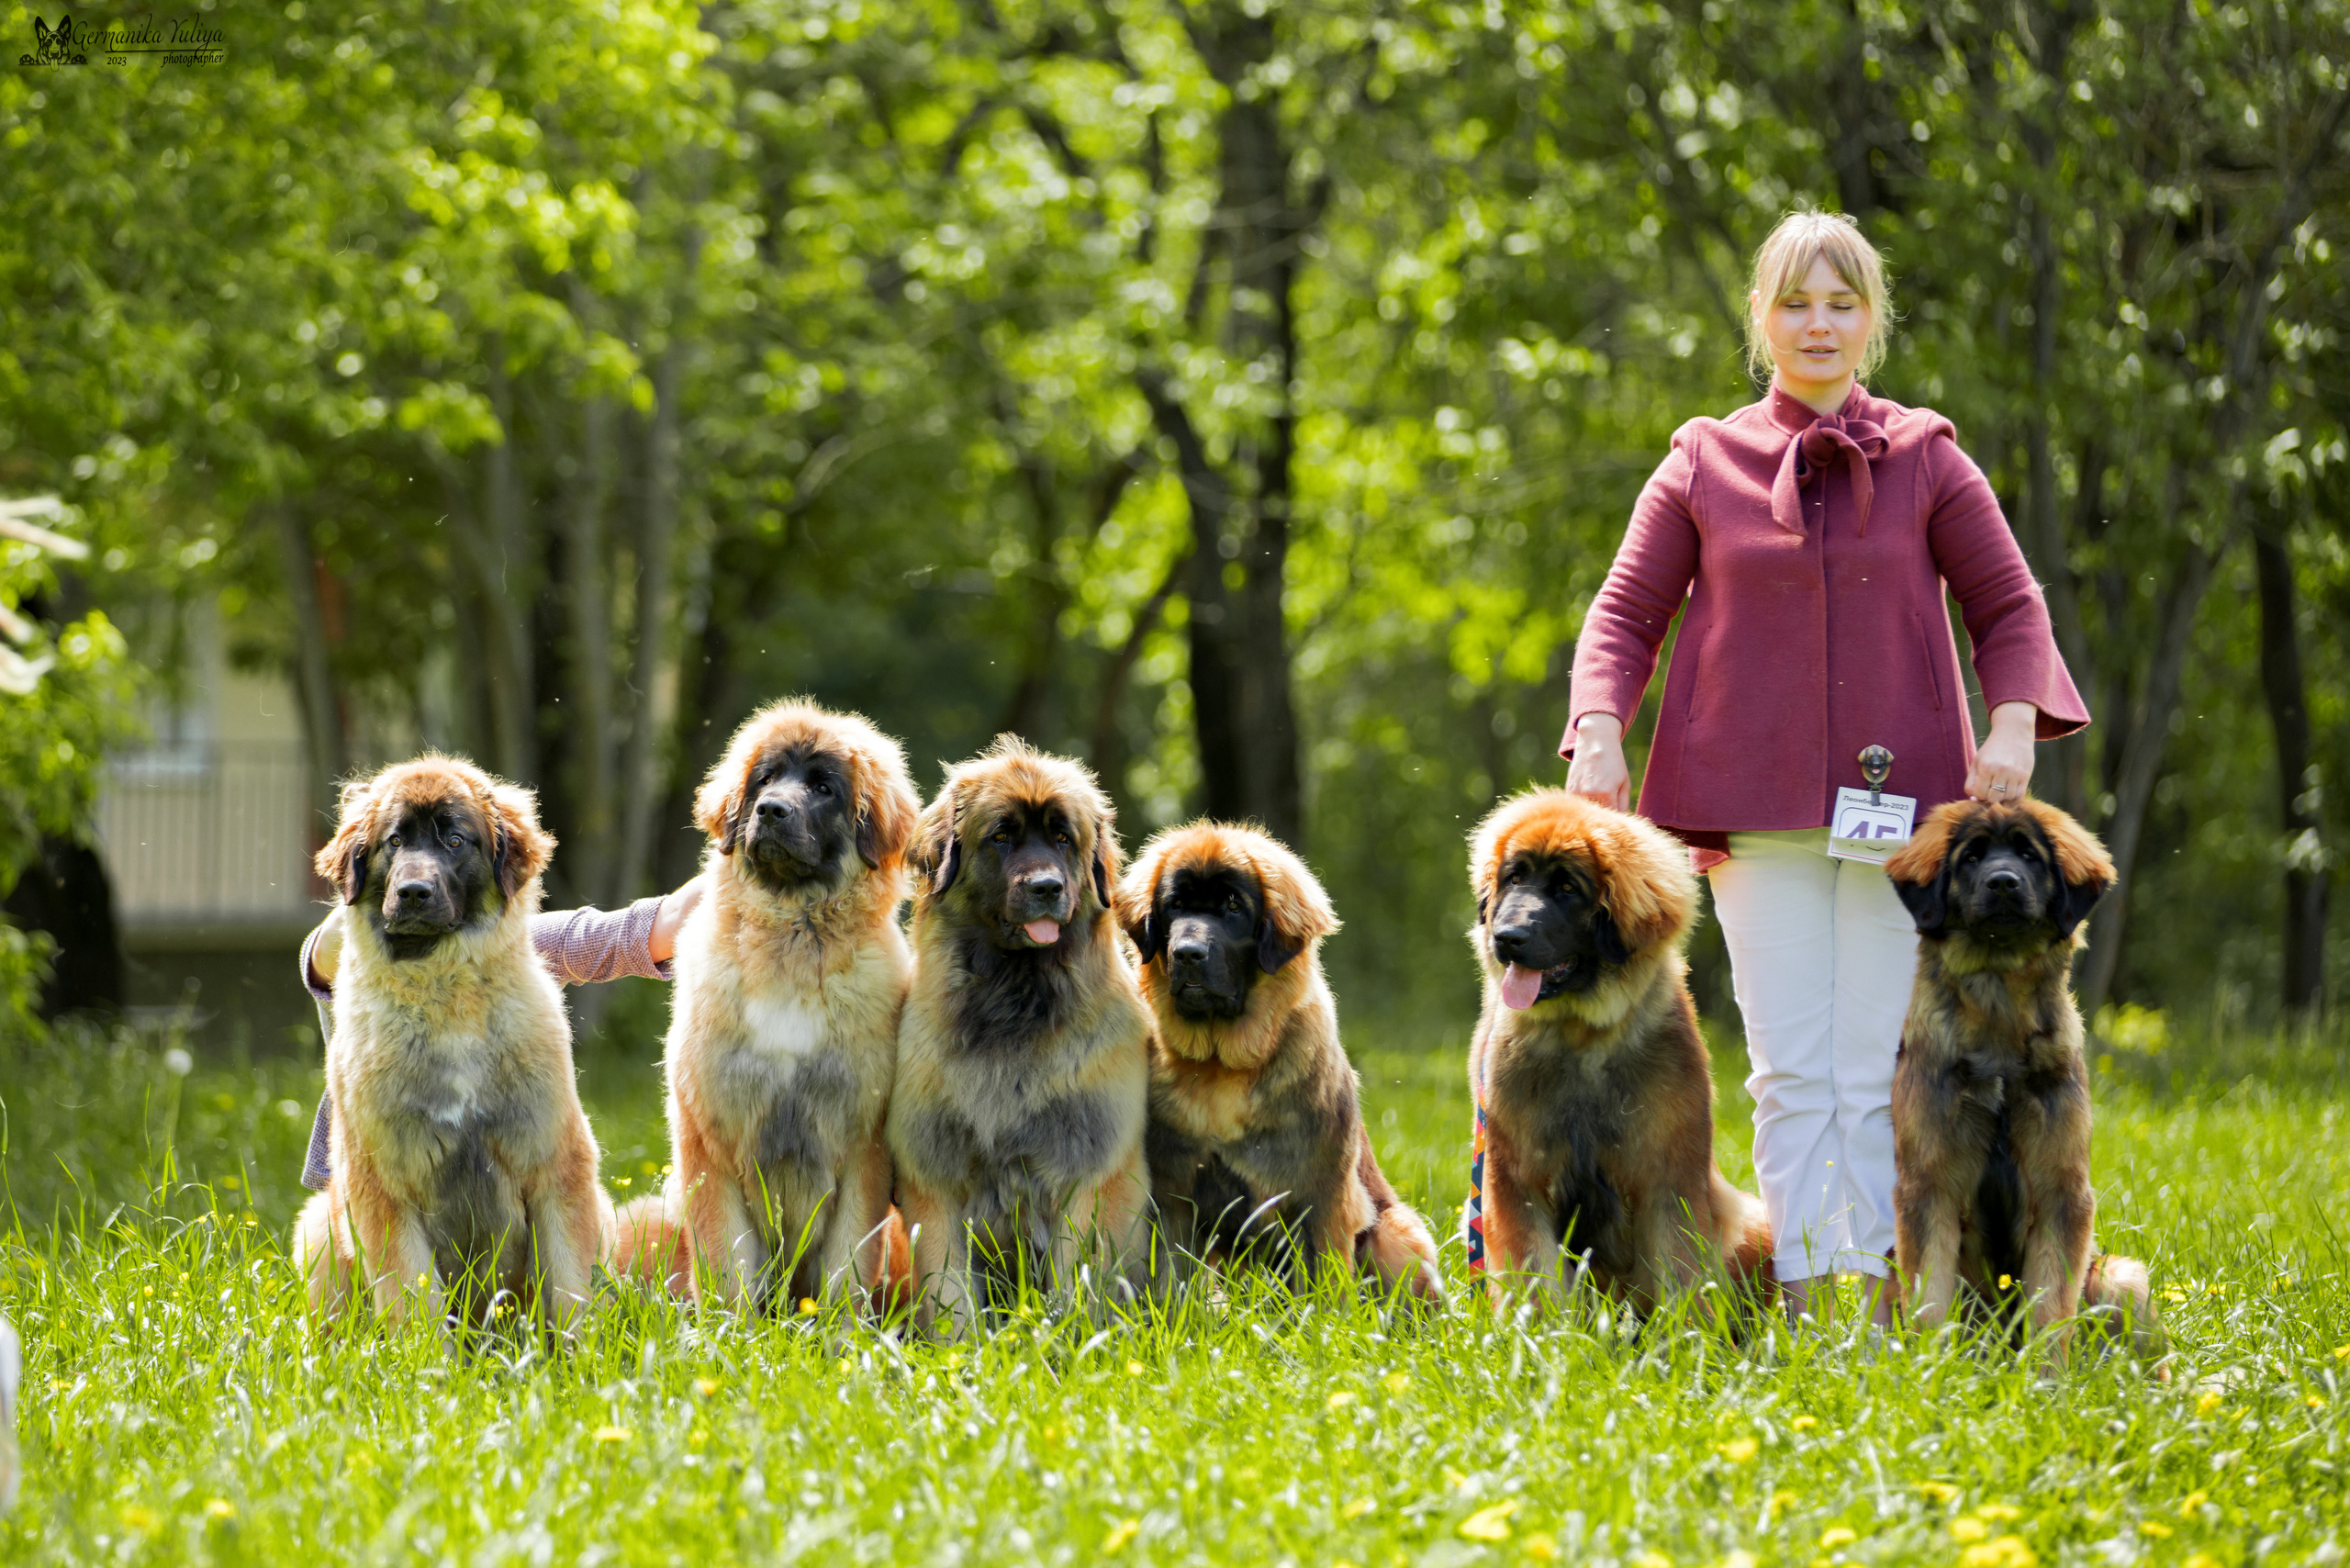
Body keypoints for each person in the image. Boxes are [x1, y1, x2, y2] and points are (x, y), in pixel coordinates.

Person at [1561, 211, 2087, 1327]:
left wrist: (2009, 725)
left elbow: (2007, 603)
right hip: (1750, 821)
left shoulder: (1928, 456)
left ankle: (1880, 1301)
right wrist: (1600, 725)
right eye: (1795, 301)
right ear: (1761, 319)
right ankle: (1808, 1299)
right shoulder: (1701, 458)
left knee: (1875, 1068)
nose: (1817, 323)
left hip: (1904, 826)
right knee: (1790, 1070)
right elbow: (1624, 610)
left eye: (1841, 302)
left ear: (1870, 323)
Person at [295, 878, 706, 1192]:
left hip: (500, 1202)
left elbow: (635, 931)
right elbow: (325, 954)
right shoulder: (357, 950)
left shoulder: (518, 947)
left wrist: (731, 861)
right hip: (391, 1203)